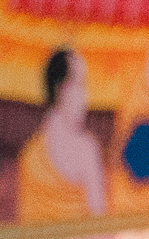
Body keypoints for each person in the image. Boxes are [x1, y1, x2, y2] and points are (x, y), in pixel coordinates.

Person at [17, 47, 113, 225]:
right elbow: (99, 225)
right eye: (79, 85)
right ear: (59, 89)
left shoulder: (29, 155)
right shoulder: (85, 149)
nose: (85, 96)